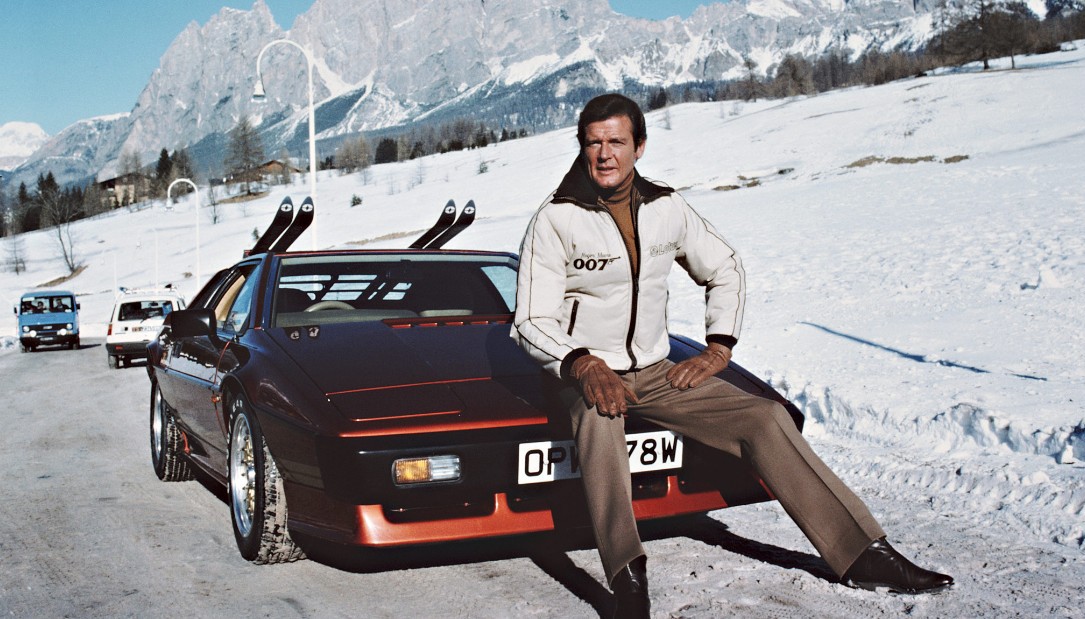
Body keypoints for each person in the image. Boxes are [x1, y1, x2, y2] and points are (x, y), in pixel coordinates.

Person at [511, 93, 952, 617]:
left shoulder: (666, 207)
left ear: (639, 147)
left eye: (617, 142)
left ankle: (863, 554)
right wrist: (583, 364)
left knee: (765, 417)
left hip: (653, 370)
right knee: (602, 416)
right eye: (594, 142)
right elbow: (531, 321)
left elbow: (725, 268)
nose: (605, 154)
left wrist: (719, 348)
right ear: (582, 147)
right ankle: (628, 575)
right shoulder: (555, 219)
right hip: (583, 373)